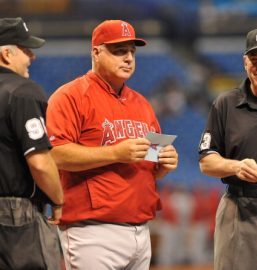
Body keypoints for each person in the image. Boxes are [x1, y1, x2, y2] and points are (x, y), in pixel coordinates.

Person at [46, 19, 178, 270]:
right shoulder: (70, 96)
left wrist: (165, 164)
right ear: (96, 52)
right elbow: (55, 154)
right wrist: (116, 152)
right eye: (119, 51)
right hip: (93, 231)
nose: (128, 58)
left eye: (131, 52)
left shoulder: (142, 104)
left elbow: (149, 166)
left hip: (141, 229)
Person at [199, 27, 257, 270]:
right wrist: (236, 166)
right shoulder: (226, 103)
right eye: (255, 59)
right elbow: (206, 161)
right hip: (238, 206)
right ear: (245, 62)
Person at [0, 17, 64, 270]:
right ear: (6, 53)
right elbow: (39, 162)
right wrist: (57, 200)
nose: (32, 57)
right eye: (26, 50)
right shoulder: (23, 91)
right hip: (15, 216)